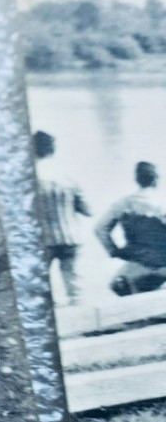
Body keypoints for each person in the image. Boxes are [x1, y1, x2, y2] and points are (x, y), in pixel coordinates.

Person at [33, 130, 90, 305]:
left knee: (39, 286)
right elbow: (88, 210)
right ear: (53, 149)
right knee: (74, 286)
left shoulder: (29, 178)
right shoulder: (67, 176)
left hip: (43, 240)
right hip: (71, 237)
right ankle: (79, 314)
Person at [95, 160, 166, 295]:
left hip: (138, 263)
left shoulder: (123, 203)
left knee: (117, 285)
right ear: (155, 180)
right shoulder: (162, 202)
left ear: (136, 180)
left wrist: (114, 250)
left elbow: (100, 229)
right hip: (164, 261)